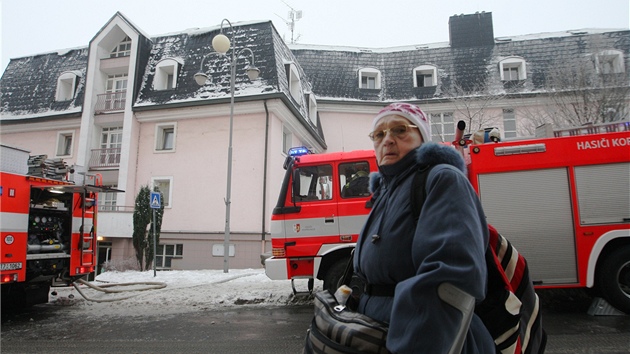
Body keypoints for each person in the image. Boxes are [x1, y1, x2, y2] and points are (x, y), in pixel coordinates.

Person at [353, 102, 495, 353]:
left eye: (399, 130)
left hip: (428, 341)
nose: (387, 140)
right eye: (379, 134)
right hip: (380, 333)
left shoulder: (441, 179)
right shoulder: (385, 192)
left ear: (422, 138)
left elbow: (450, 279)